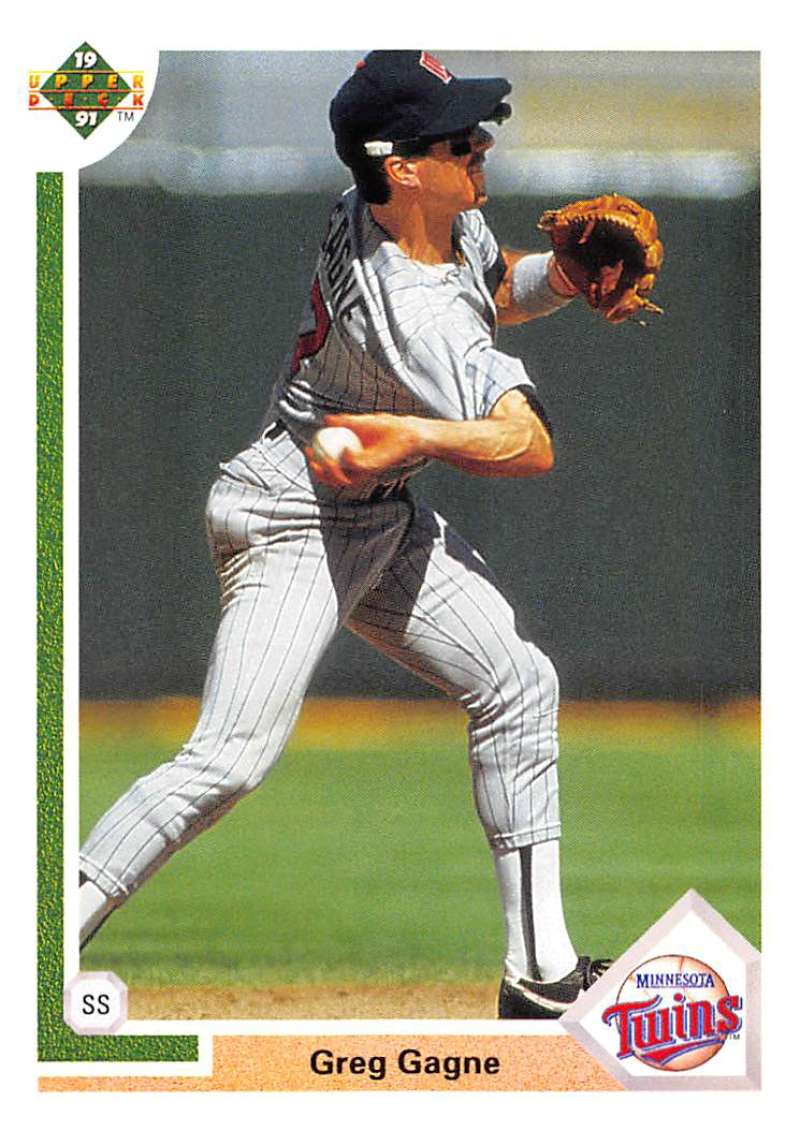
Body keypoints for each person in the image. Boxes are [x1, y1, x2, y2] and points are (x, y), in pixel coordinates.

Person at [78, 50, 610, 1019]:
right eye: (457, 139)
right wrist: (416, 431)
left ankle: (537, 970)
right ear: (400, 164)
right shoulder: (405, 298)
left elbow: (482, 291)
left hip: (376, 512)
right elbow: (524, 444)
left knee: (516, 682)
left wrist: (560, 277)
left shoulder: (407, 212)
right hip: (292, 518)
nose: (481, 143)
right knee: (229, 757)